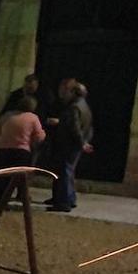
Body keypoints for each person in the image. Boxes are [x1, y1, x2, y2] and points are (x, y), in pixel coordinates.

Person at [0, 95, 45, 204]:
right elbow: (39, 137)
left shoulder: (7, 115)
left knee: (0, 174)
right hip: (21, 151)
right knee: (20, 177)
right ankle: (21, 195)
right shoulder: (33, 118)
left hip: (2, 149)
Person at [46, 78, 93, 213]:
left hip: (68, 145)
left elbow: (74, 128)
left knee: (64, 173)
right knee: (69, 172)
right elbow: (88, 127)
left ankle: (63, 202)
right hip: (75, 145)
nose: (63, 93)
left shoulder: (74, 107)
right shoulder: (83, 105)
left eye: (66, 91)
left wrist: (82, 143)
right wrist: (85, 141)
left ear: (72, 92)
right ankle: (68, 199)